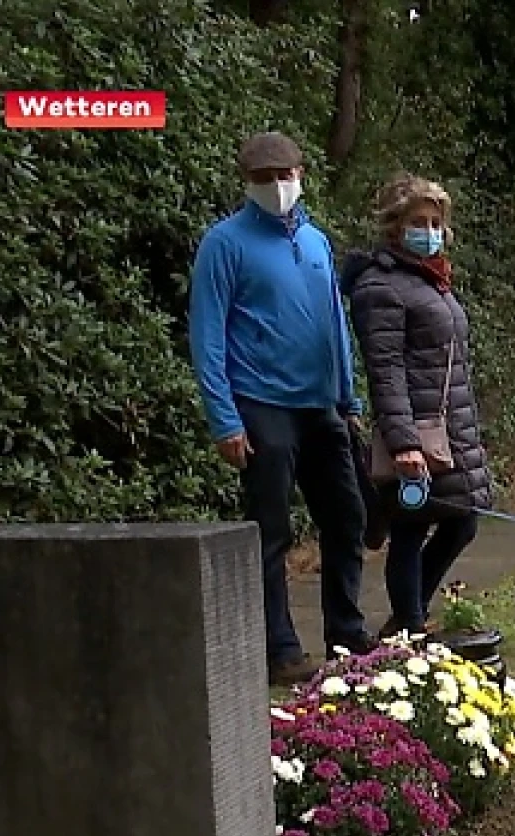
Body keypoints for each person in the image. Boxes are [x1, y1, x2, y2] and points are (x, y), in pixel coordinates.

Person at [189, 131, 375, 685]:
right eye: (264, 178)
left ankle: (346, 632)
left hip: (322, 405)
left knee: (348, 518)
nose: (276, 186)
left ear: (301, 174)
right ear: (247, 182)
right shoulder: (225, 243)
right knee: (270, 530)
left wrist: (348, 398)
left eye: (284, 175)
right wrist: (224, 418)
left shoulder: (316, 242)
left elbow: (334, 323)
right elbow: (208, 334)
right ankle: (280, 648)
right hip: (261, 402)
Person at [339, 173, 494, 638]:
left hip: (450, 426)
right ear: (393, 227)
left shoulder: (431, 281)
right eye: (417, 221)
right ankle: (410, 625)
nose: (429, 230)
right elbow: (385, 371)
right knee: (411, 526)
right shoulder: (381, 287)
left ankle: (410, 617)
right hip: (416, 431)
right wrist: (404, 442)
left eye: (435, 222)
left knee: (462, 519)